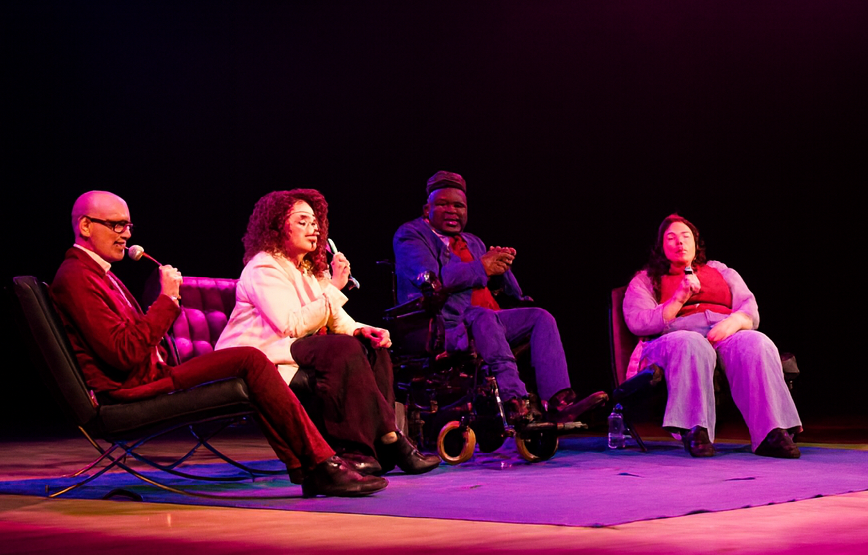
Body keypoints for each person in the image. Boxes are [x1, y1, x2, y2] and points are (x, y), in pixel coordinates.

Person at [50, 190, 386, 497]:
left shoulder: (101, 272)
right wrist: (167, 300)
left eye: (128, 225)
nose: (127, 235)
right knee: (251, 360)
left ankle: (312, 466)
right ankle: (321, 464)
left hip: (152, 372)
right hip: (130, 389)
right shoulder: (77, 277)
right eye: (117, 225)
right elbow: (123, 354)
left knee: (252, 368)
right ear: (86, 226)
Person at [216, 188, 439, 476]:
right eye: (303, 222)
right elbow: (291, 325)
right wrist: (334, 287)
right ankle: (364, 446)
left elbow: (336, 319)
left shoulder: (307, 270)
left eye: (316, 223)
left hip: (299, 350)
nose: (314, 230)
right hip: (262, 355)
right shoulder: (263, 267)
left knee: (371, 346)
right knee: (341, 349)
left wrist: (363, 330)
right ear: (276, 226)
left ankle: (382, 443)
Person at [393, 171, 608, 423]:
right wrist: (482, 266)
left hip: (486, 320)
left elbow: (505, 291)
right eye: (443, 204)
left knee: (540, 317)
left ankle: (559, 401)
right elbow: (434, 280)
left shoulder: (472, 241)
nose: (452, 210)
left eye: (459, 205)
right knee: (483, 315)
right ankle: (515, 400)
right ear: (427, 209)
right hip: (444, 325)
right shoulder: (412, 235)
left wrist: (502, 266)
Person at [622, 213, 802, 458]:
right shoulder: (645, 280)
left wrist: (735, 322)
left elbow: (749, 308)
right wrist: (678, 299)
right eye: (671, 238)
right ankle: (695, 430)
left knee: (757, 342)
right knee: (692, 343)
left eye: (685, 236)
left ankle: (772, 430)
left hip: (722, 332)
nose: (679, 242)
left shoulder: (721, 270)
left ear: (696, 243)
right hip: (674, 337)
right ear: (661, 246)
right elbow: (638, 322)